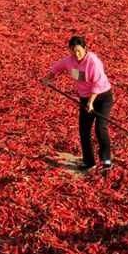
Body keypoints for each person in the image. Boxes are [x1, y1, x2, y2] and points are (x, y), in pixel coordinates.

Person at [41, 36, 113, 171]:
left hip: (103, 97)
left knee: (100, 127)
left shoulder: (93, 62)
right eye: (73, 51)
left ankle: (106, 159)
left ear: (85, 49)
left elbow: (97, 83)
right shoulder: (69, 61)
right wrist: (47, 79)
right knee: (84, 130)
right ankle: (89, 162)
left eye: (79, 50)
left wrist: (91, 102)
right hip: (85, 98)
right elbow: (57, 67)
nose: (77, 54)